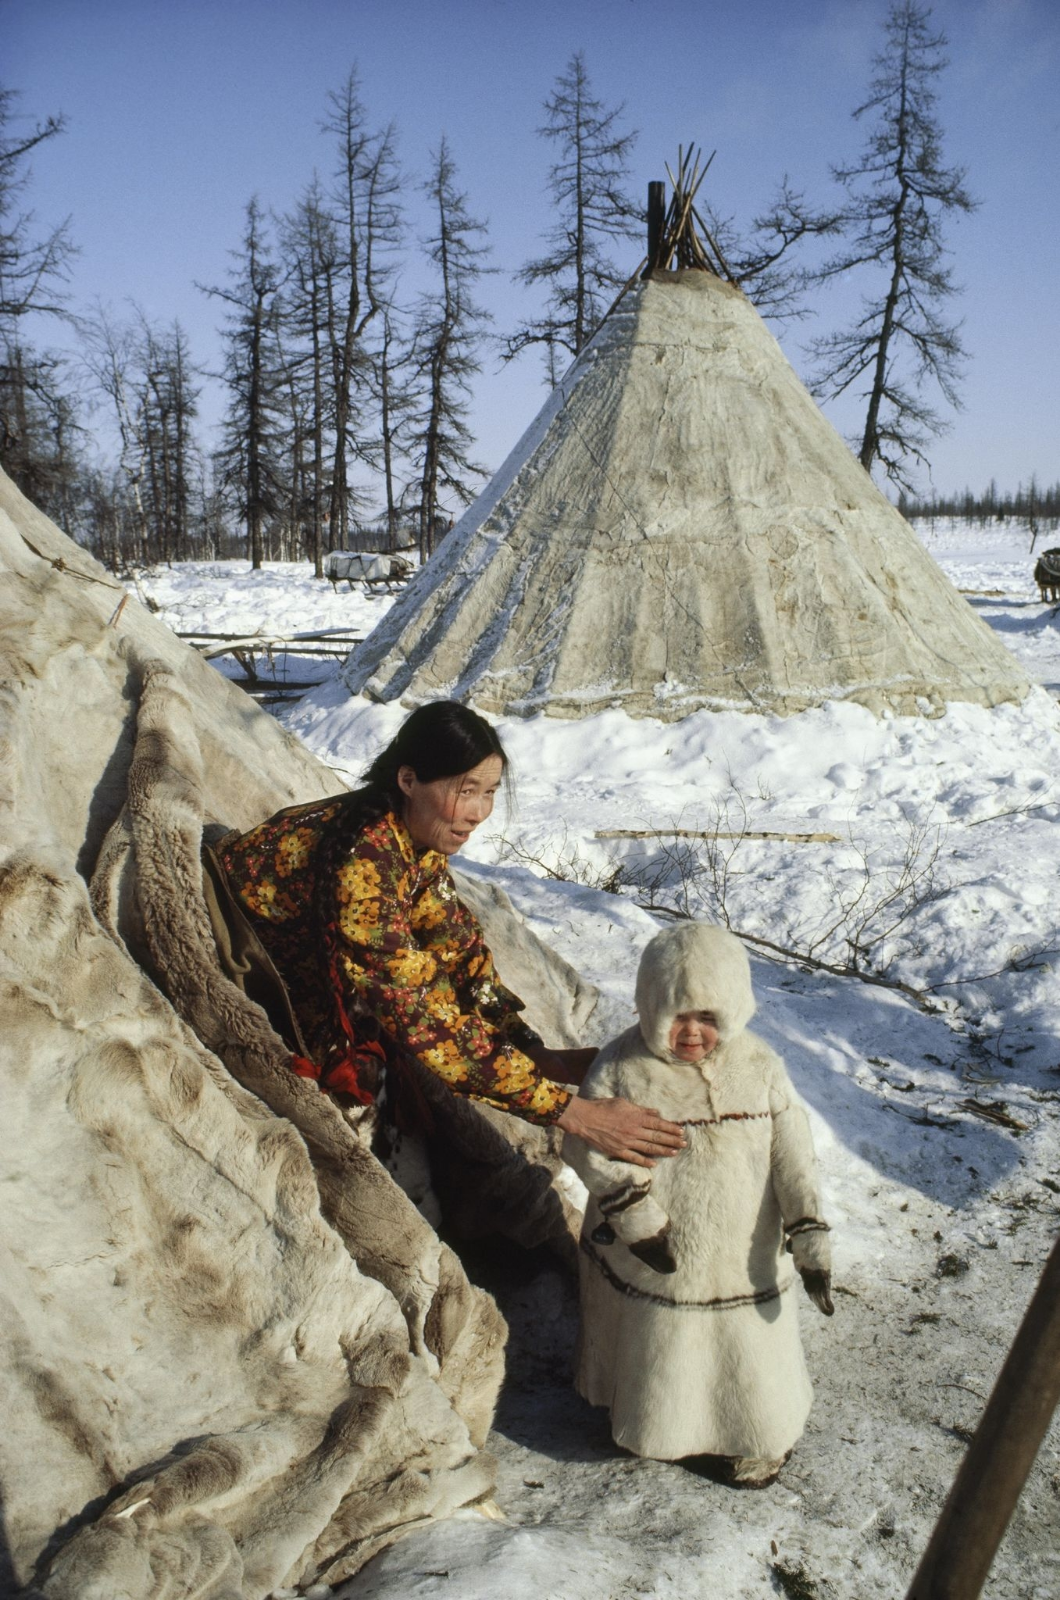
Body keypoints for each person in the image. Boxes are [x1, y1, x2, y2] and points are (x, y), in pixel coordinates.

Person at [211, 700, 684, 1165]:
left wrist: (534, 1052)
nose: (479, 812)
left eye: (490, 792)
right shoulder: (365, 861)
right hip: (255, 962)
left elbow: (458, 954)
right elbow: (418, 1014)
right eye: (467, 790)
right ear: (409, 780)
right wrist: (572, 1112)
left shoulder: (413, 840)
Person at [563, 921, 834, 1487]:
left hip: (744, 1254)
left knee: (748, 1352)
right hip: (659, 1251)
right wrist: (637, 1219)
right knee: (666, 1345)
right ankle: (663, 1429)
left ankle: (756, 1439)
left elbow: (794, 1155)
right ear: (650, 1007)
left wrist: (808, 1231)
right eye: (677, 1015)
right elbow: (586, 1144)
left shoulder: (759, 1067)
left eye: (708, 1017)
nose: (691, 1033)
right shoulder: (622, 1067)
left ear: (733, 1011)